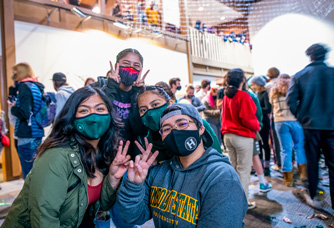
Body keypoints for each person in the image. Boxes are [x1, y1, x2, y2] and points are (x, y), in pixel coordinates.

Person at [1, 86, 130, 227]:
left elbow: (103, 206)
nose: (93, 117)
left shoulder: (104, 152)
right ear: (72, 118)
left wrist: (112, 180)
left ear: (110, 115)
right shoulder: (57, 155)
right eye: (84, 110)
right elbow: (44, 218)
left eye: (99, 109)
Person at [118, 103, 247, 227]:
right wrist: (134, 184)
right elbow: (133, 217)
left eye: (182, 123)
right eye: (167, 129)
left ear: (201, 129)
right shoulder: (158, 172)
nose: (175, 131)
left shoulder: (222, 177)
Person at [286, 43, 334, 222]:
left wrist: (302, 118)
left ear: (310, 56)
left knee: (312, 162)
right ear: (325, 55)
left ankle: (315, 197)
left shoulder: (300, 75)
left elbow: (291, 101)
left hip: (311, 126)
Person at [103, 48, 148, 228]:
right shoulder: (104, 90)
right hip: (105, 160)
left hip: (130, 162)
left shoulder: (142, 96)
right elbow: (103, 121)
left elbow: (140, 128)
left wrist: (138, 94)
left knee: (125, 215)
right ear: (117, 66)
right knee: (101, 210)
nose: (131, 69)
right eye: (126, 65)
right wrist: (111, 87)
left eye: (136, 66)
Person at [136, 86, 222, 163]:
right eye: (143, 110)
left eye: (155, 104)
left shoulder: (194, 125)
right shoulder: (148, 141)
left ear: (169, 103)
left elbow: (218, 158)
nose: (150, 113)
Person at [221, 68, 260, 209]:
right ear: (242, 80)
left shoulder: (227, 96)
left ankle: (233, 201)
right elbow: (248, 119)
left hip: (228, 137)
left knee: (234, 170)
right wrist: (257, 126)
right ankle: (242, 204)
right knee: (243, 171)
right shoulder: (243, 96)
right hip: (242, 137)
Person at [7, 63, 44, 179]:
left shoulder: (24, 87)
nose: (13, 75)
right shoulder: (35, 85)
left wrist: (12, 107)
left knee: (28, 172)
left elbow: (24, 113)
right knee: (35, 168)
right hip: (36, 131)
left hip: (27, 133)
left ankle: (30, 196)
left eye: (15, 73)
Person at [270, 74, 307, 187]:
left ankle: (288, 180)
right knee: (299, 147)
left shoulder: (273, 91)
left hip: (280, 121)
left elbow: (272, 104)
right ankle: (303, 175)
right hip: (294, 120)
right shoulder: (294, 88)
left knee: (285, 150)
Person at [250, 75, 272, 176]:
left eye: (254, 84)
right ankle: (261, 166)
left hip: (265, 122)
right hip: (258, 122)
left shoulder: (265, 94)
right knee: (259, 145)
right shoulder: (257, 94)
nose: (252, 86)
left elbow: (268, 109)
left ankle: (267, 166)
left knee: (265, 144)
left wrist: (255, 109)